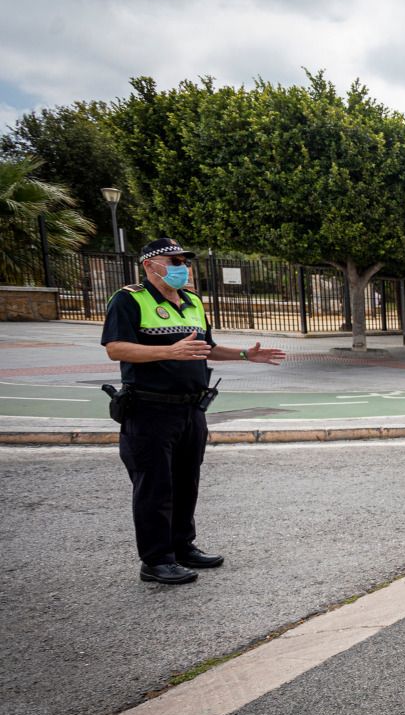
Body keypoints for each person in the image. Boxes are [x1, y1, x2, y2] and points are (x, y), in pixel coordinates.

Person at [101, 239, 287, 584]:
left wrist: (245, 355)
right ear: (149, 265)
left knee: (186, 482)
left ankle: (182, 547)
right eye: (173, 260)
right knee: (155, 486)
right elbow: (116, 348)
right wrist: (168, 352)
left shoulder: (192, 302)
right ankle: (156, 560)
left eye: (184, 261)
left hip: (191, 409)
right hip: (149, 409)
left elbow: (206, 348)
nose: (182, 267)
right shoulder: (129, 299)